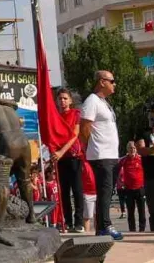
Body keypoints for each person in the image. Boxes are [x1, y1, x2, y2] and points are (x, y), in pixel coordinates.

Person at [79, 70, 122, 240]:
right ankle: (105, 226)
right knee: (104, 191)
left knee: (108, 190)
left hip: (110, 154)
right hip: (100, 154)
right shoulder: (92, 101)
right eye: (112, 81)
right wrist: (91, 145)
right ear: (102, 82)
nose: (114, 84)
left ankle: (102, 227)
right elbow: (84, 128)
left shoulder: (104, 102)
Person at [50, 87, 85, 234]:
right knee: (64, 192)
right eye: (60, 99)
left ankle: (79, 223)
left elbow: (75, 134)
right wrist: (54, 152)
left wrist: (61, 151)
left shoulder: (75, 114)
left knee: (77, 190)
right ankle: (67, 222)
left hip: (74, 156)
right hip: (60, 158)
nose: (62, 101)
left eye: (65, 98)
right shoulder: (55, 117)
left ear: (70, 100)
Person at [117, 142, 146, 232]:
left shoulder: (141, 159)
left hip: (140, 188)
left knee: (142, 211)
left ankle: (142, 229)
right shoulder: (123, 160)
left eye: (133, 148)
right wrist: (119, 182)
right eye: (130, 148)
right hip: (129, 189)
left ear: (136, 149)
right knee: (130, 212)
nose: (132, 149)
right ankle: (132, 230)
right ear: (127, 149)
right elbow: (115, 169)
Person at [81, 159, 96, 233]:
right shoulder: (83, 162)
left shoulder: (99, 161)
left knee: (98, 216)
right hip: (87, 193)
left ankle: (98, 233)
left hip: (98, 191)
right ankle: (87, 234)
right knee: (87, 217)